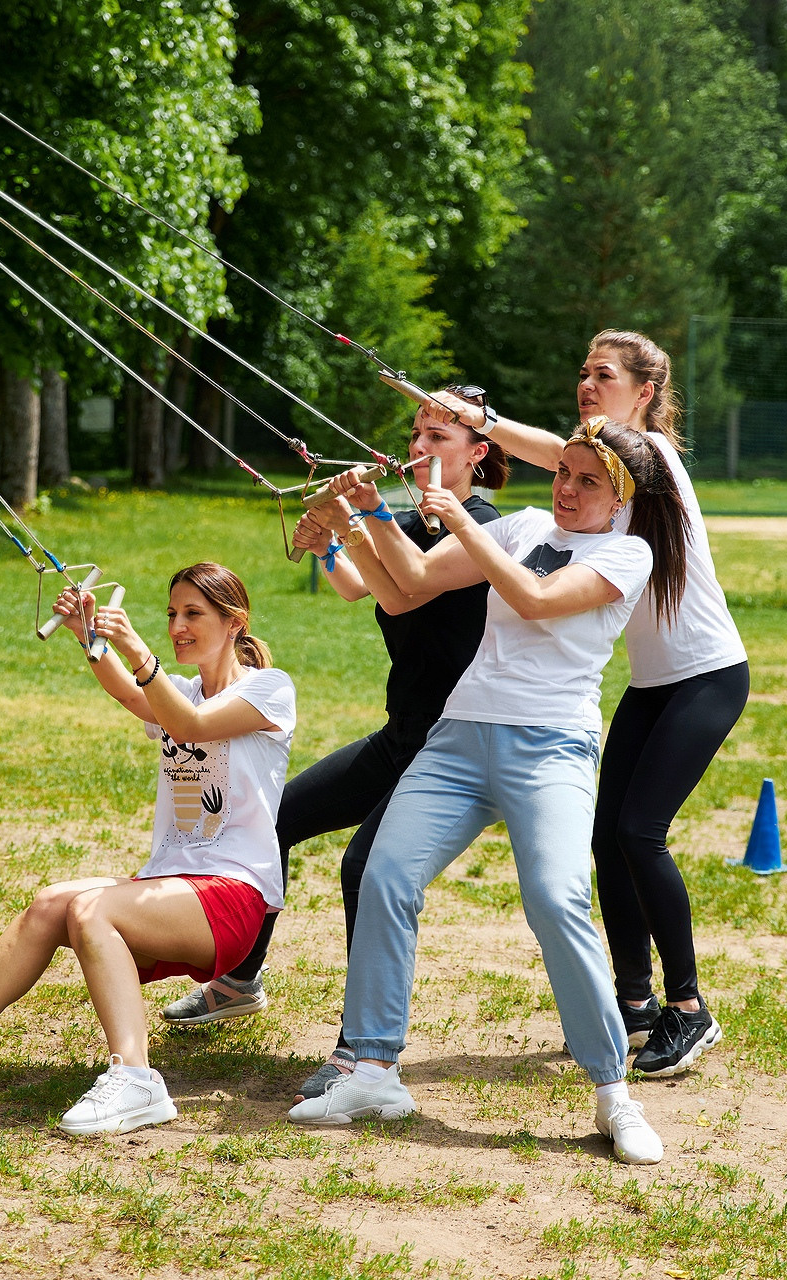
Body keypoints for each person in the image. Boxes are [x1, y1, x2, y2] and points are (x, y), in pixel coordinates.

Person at [288, 418, 687, 1166]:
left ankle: (613, 1093)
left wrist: (461, 520)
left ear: (621, 498)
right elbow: (407, 586)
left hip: (551, 746)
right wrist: (367, 514)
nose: (567, 489)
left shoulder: (627, 553)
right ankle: (372, 1071)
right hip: (460, 736)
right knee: (385, 874)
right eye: (563, 472)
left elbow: (534, 597)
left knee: (556, 898)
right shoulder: (525, 524)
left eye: (588, 481)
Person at [158, 392, 511, 1104]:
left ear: (477, 452)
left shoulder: (488, 529)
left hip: (453, 745)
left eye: (438, 436)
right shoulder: (407, 522)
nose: (420, 445)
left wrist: (358, 517)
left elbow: (409, 591)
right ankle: (239, 980)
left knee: (365, 866)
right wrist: (327, 542)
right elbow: (360, 587)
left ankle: (360, 1050)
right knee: (279, 818)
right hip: (402, 733)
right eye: (415, 432)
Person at [0, 563, 295, 1136]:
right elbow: (130, 693)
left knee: (91, 909)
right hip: (170, 886)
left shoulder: (270, 690)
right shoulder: (183, 691)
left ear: (234, 623)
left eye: (193, 614)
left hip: (233, 896)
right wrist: (89, 635)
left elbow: (191, 726)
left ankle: (137, 1079)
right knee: (50, 903)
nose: (177, 626)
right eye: (172, 613)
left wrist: (137, 650)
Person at [448, 331, 748, 1076]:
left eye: (604, 375)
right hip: (651, 685)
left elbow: (556, 450)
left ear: (645, 393)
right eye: (582, 371)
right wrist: (475, 421)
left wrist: (480, 421)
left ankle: (690, 1008)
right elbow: (563, 456)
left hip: (708, 676)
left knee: (640, 832)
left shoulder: (655, 461)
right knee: (607, 837)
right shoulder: (597, 473)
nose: (586, 384)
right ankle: (634, 1005)